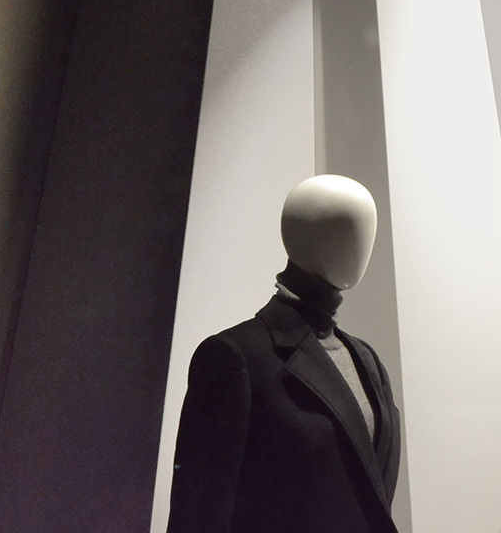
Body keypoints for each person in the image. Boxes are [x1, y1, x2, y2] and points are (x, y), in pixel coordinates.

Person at [168, 175, 400, 533]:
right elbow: (199, 512)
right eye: (342, 228)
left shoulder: (367, 361)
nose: (360, 244)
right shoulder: (236, 358)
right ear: (298, 233)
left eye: (366, 230)